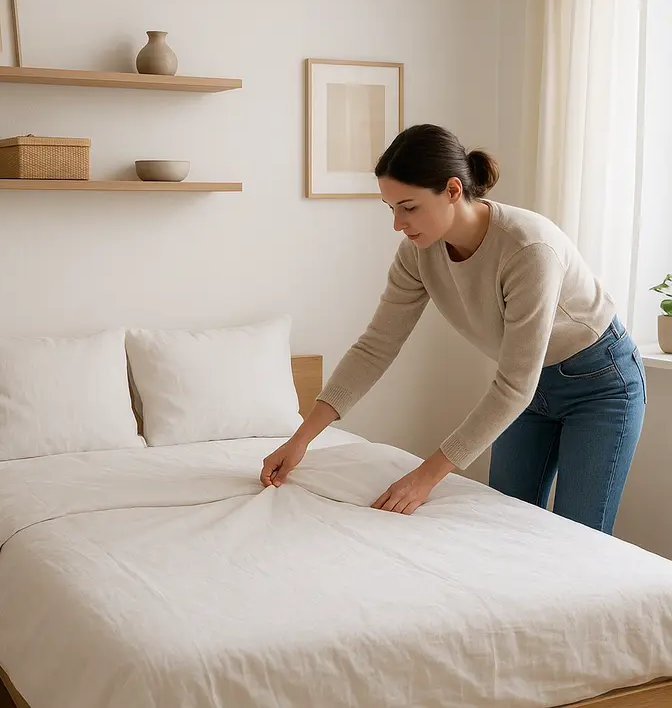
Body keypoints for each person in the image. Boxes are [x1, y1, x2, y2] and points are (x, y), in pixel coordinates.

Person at [260, 123, 647, 535]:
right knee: (506, 527)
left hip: (599, 383)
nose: (398, 224)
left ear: (453, 190)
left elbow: (514, 386)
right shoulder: (418, 253)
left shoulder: (528, 249)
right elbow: (375, 347)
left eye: (409, 207)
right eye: (391, 208)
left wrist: (425, 476)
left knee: (579, 539)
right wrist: (301, 439)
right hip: (527, 392)